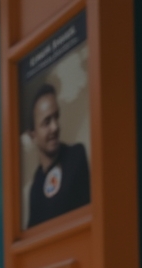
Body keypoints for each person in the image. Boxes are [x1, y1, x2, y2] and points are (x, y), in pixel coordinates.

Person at [26, 83, 91, 228]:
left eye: (56, 117)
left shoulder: (76, 156)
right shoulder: (35, 188)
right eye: (46, 122)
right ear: (33, 136)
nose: (55, 127)